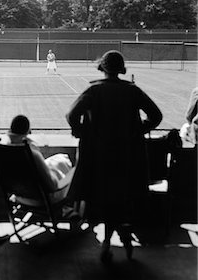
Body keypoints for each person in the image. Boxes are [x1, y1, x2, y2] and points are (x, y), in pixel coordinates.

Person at [65, 50, 162, 262]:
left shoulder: (94, 90)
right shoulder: (133, 91)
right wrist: (138, 130)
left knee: (103, 199)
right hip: (127, 158)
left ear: (103, 67)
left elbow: (71, 115)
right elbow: (156, 116)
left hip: (98, 158)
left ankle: (106, 240)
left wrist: (82, 131)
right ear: (121, 68)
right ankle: (118, 234)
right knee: (118, 199)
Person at [0, 114, 75, 204]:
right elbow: (53, 186)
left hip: (18, 195)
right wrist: (73, 172)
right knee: (66, 165)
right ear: (28, 132)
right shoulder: (32, 154)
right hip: (41, 200)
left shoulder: (2, 150)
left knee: (58, 160)